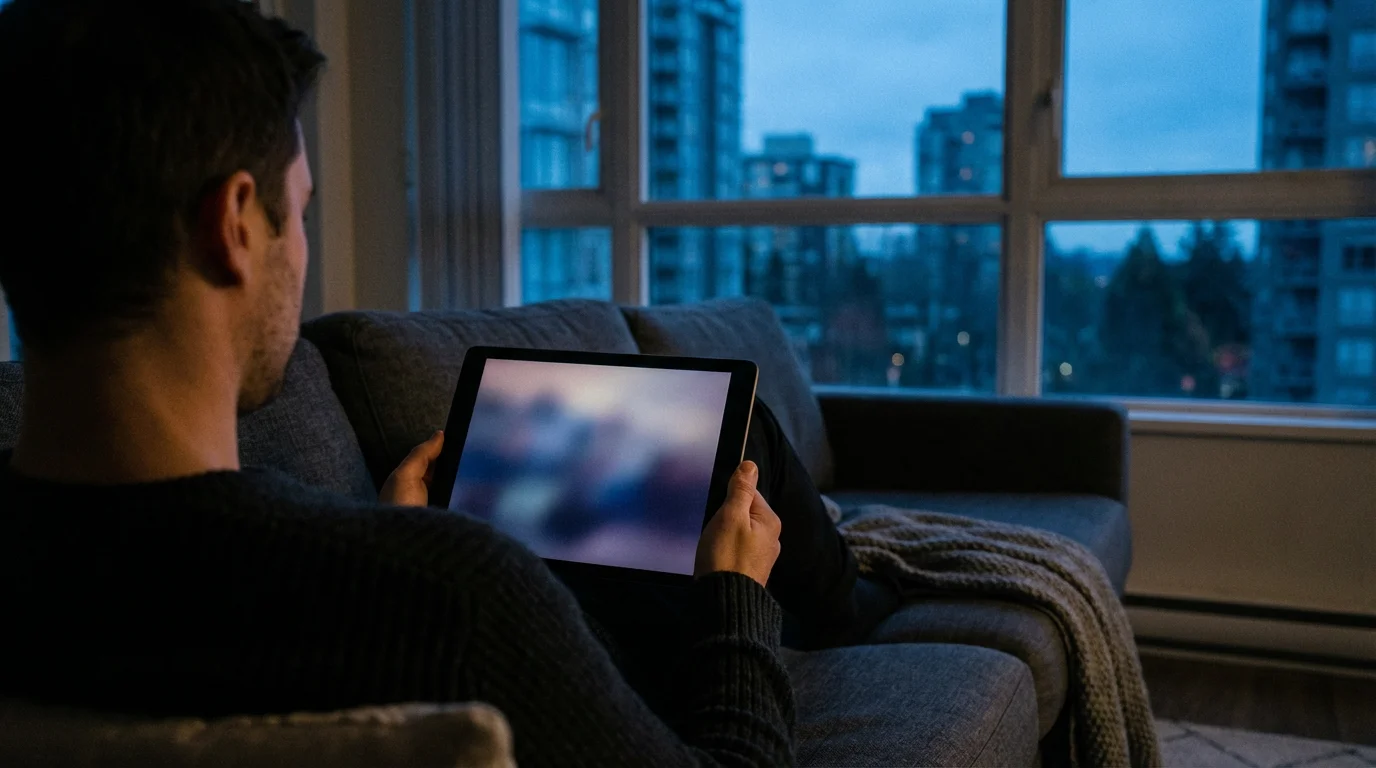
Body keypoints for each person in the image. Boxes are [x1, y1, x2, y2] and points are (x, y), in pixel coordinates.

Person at [0, 1, 876, 765]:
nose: (301, 249)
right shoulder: (449, 597)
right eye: (300, 212)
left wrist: (383, 541)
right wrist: (734, 598)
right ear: (233, 224)